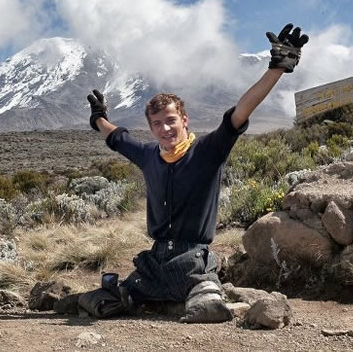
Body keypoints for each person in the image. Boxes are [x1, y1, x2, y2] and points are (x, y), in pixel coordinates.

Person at [80, 23, 309, 322]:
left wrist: (277, 68)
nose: (165, 128)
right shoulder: (149, 155)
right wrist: (99, 119)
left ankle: (204, 292)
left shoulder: (207, 151)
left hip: (193, 261)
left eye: (171, 120)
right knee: (99, 303)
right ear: (150, 128)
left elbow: (239, 113)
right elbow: (117, 138)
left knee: (207, 305)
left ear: (184, 119)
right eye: (157, 124)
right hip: (153, 263)